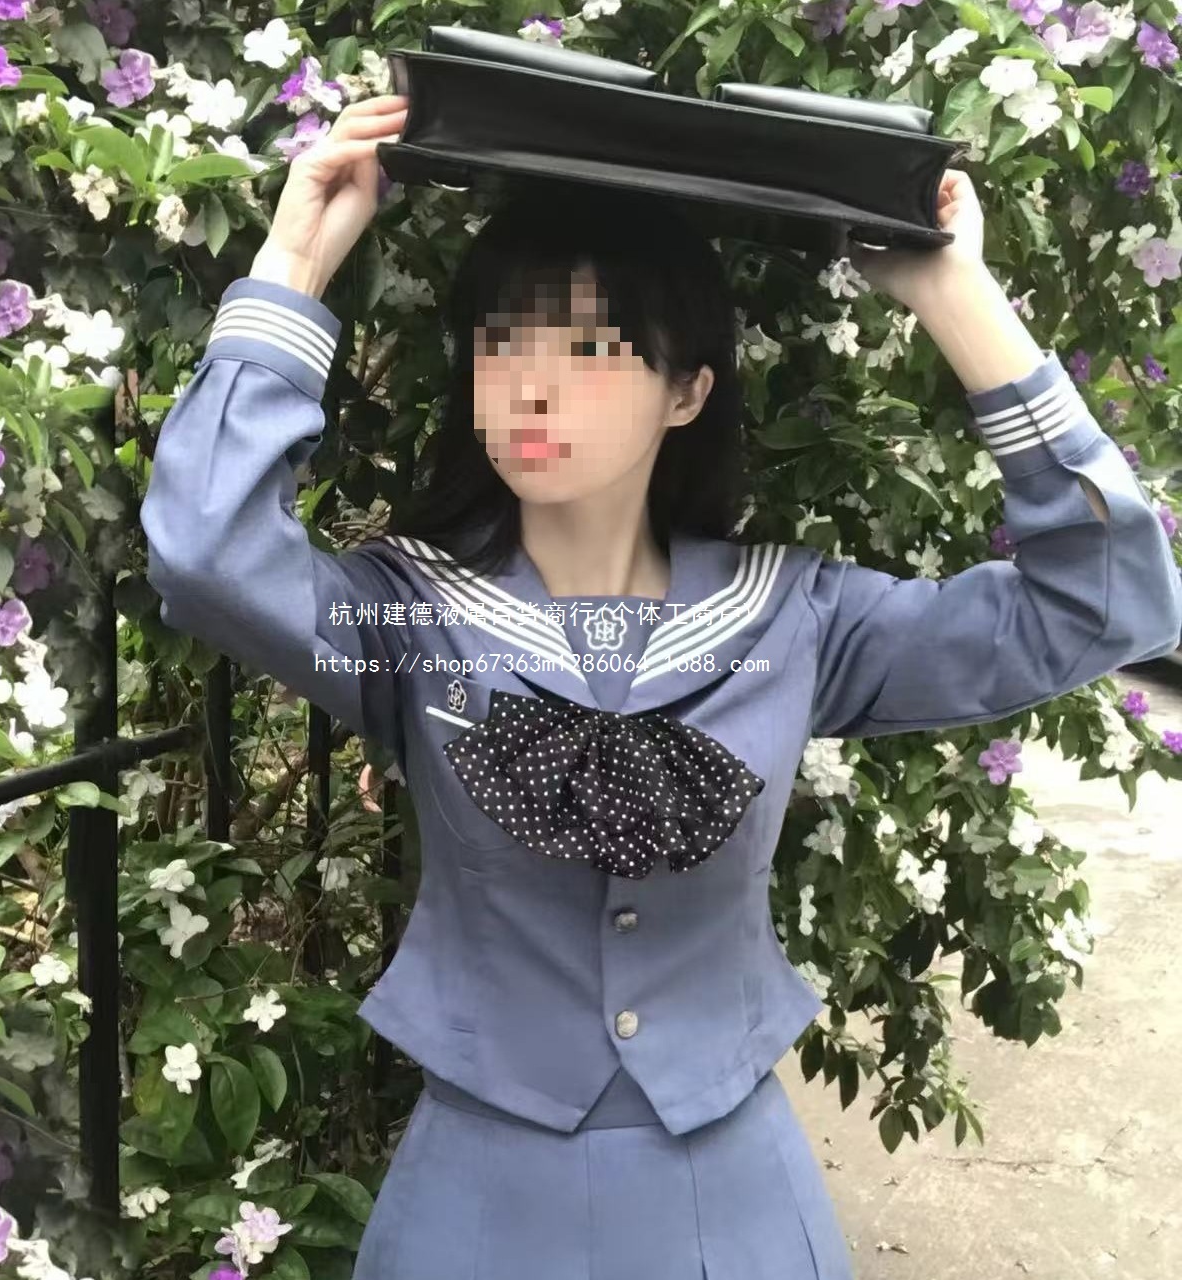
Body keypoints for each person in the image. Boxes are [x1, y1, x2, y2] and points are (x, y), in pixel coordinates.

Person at [140, 94, 1182, 1280]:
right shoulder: (408, 617)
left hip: (733, 1204)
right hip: (476, 1205)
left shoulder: (795, 616)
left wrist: (956, 294)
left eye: (589, 350)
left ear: (685, 391)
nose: (529, 388)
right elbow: (205, 550)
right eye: (500, 344)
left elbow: (1102, 599)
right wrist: (294, 260)